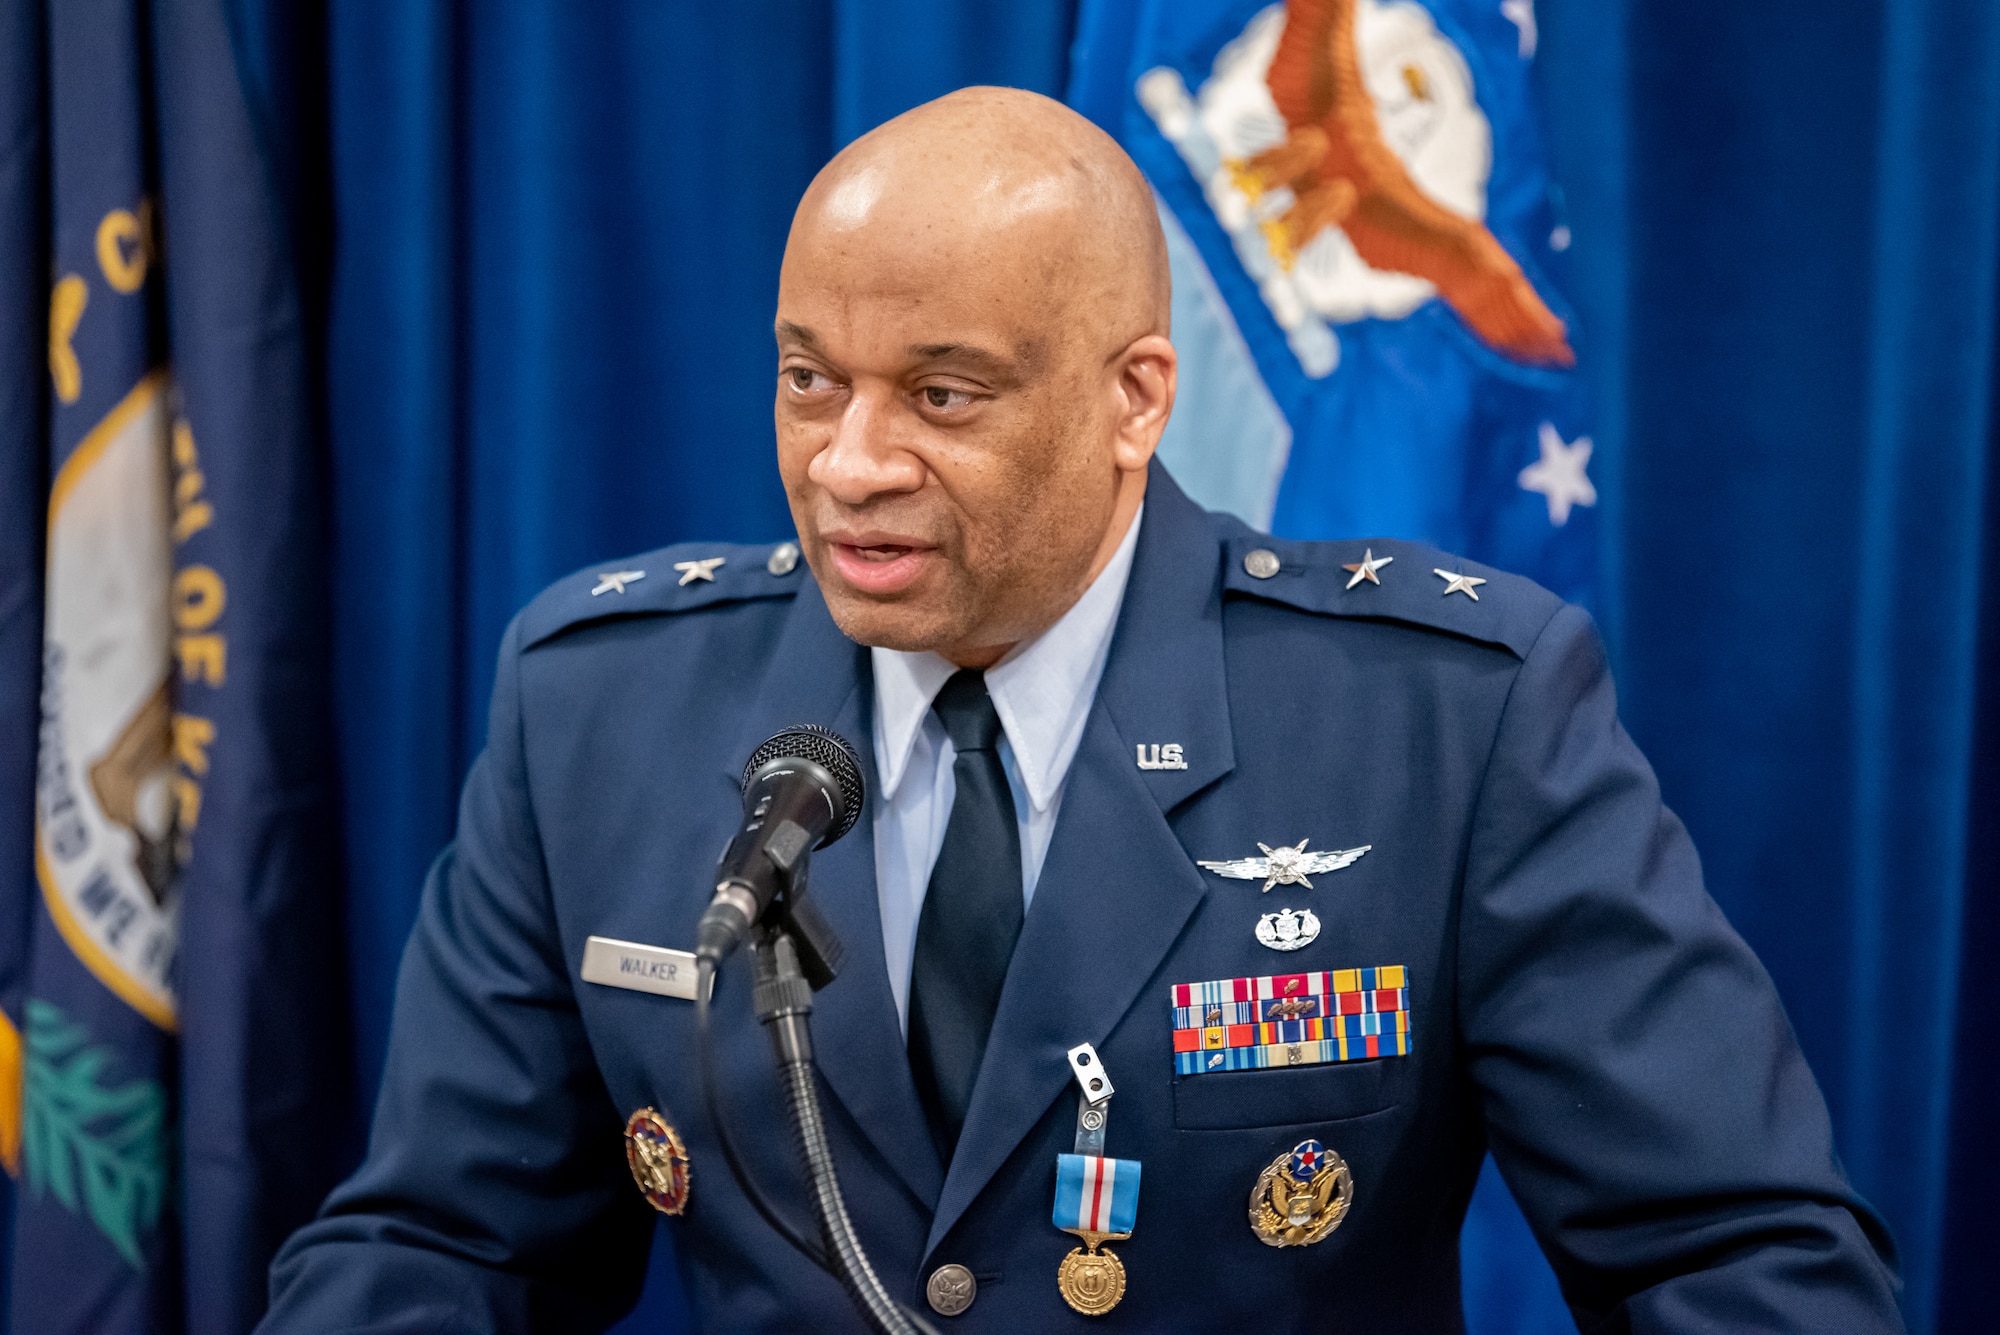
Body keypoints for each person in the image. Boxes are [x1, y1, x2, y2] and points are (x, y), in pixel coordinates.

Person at [259, 88, 1902, 1333]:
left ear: (1137, 398)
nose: (849, 464)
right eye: (809, 376)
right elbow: (441, 1247)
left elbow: (1738, 1263)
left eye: (944, 394)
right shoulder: (597, 708)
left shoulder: (1446, 723)